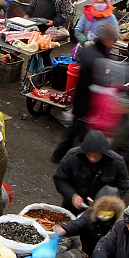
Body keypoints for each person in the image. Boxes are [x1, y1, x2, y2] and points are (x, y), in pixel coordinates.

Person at [51, 20, 116, 161]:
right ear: (106, 39)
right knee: (79, 131)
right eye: (112, 40)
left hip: (82, 100)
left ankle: (60, 154)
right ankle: (69, 157)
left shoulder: (93, 51)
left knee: (74, 130)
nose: (113, 43)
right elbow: (91, 82)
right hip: (86, 101)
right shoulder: (96, 56)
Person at [53, 129, 129, 213]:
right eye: (88, 155)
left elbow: (122, 187)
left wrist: (103, 201)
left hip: (100, 211)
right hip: (73, 208)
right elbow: (60, 178)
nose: (92, 159)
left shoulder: (117, 163)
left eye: (96, 156)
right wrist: (72, 195)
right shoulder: (73, 157)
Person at [57, 195, 124, 257]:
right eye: (102, 211)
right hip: (86, 250)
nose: (103, 215)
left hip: (106, 257)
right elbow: (79, 224)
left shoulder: (120, 226)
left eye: (108, 212)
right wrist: (64, 228)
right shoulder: (90, 216)